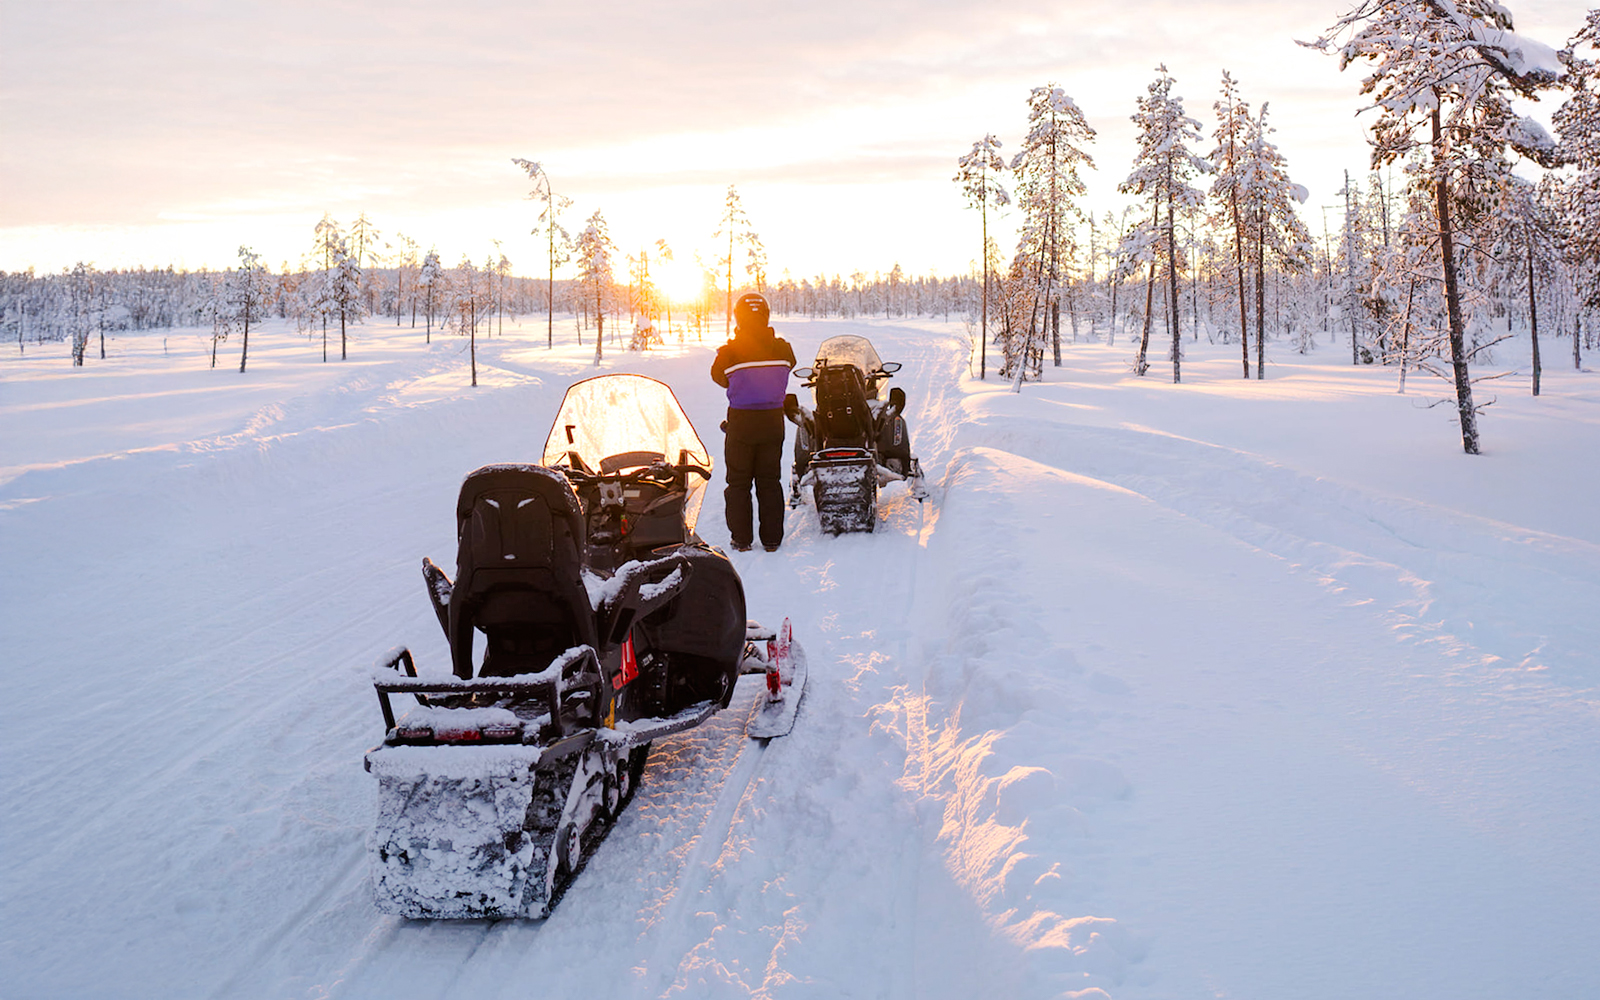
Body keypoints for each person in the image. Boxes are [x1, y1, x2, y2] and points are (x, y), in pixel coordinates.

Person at [711, 293, 795, 552]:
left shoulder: (728, 353)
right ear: (766, 316)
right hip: (772, 422)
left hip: (741, 423)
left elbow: (718, 377)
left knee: (738, 483)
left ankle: (741, 539)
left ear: (739, 317)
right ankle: (771, 540)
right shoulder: (783, 348)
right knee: (769, 481)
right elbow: (790, 364)